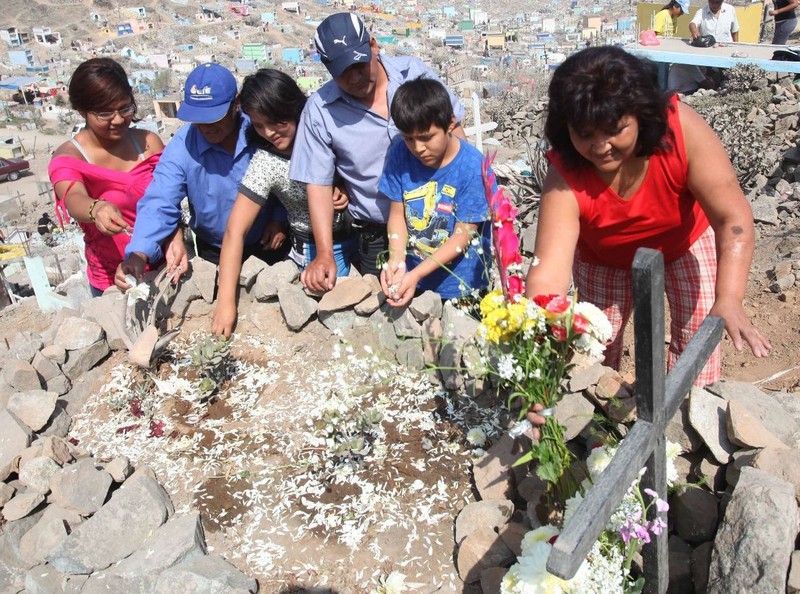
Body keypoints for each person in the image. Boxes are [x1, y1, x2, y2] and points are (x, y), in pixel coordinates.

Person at [525, 46, 771, 388]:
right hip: (604, 258)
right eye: (585, 133)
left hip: (683, 242)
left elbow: (733, 220)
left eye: (614, 129)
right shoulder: (566, 175)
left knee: (697, 337)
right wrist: (539, 339)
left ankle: (687, 422)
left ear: (641, 114)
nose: (600, 146)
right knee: (593, 348)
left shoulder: (681, 132)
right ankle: (599, 428)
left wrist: (729, 298)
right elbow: (548, 273)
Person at [289, 12, 466, 293]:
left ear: (373, 46)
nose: (355, 77)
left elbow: (455, 137)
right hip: (378, 233)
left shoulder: (414, 74)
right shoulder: (320, 111)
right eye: (343, 72)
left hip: (442, 224)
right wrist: (324, 254)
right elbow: (318, 184)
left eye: (359, 65)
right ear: (327, 67)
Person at [115, 63, 287, 291]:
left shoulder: (259, 129)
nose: (207, 127)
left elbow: (288, 170)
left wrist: (279, 217)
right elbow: (159, 201)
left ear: (236, 105)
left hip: (267, 242)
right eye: (199, 118)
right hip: (214, 250)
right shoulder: (182, 147)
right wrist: (139, 253)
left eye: (215, 117)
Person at [211, 69, 356, 338]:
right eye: (258, 125)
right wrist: (225, 303)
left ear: (293, 107)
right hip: (314, 252)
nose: (269, 133)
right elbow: (235, 231)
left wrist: (346, 188)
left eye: (276, 121)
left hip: (361, 241)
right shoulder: (267, 163)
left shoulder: (327, 134)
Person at [49, 58, 163, 296]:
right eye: (105, 113)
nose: (119, 119)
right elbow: (74, 198)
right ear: (82, 111)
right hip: (113, 279)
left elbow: (167, 198)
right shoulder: (69, 157)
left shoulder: (148, 143)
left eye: (125, 108)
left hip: (162, 264)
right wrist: (96, 208)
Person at [378, 78, 491, 307]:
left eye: (426, 137)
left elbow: (463, 236)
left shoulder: (472, 167)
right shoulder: (400, 153)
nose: (418, 148)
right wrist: (397, 258)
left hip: (462, 286)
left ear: (450, 124)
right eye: (409, 138)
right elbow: (397, 214)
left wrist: (417, 273)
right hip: (414, 279)